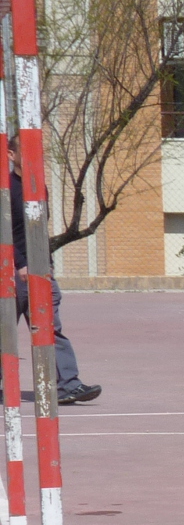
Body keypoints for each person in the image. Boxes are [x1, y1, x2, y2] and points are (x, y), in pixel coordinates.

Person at [8, 158, 100, 404]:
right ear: (11, 154)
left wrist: (45, 262)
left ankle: (67, 385)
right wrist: (19, 263)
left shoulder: (38, 187)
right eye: (25, 150)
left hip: (39, 270)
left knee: (50, 327)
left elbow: (38, 230)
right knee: (4, 332)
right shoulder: (5, 187)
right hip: (11, 272)